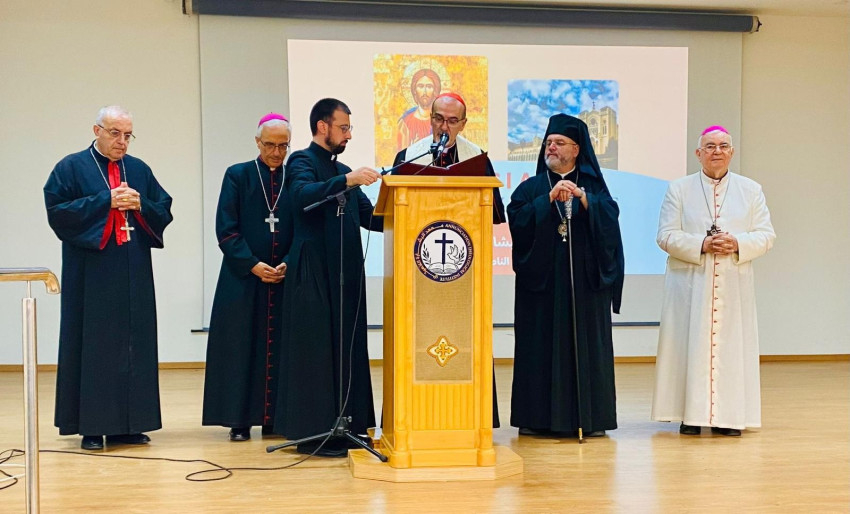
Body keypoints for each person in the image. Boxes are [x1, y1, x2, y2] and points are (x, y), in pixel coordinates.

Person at [44, 106, 173, 450]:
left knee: (134, 345)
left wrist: (141, 205)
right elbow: (58, 212)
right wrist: (106, 201)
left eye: (128, 135)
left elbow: (164, 208)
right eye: (115, 133)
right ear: (97, 130)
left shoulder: (139, 169)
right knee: (95, 346)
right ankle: (92, 426)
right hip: (92, 272)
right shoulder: (71, 167)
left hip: (133, 270)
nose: (122, 141)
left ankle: (130, 425)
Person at [273, 98, 383, 457]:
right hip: (314, 273)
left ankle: (348, 424)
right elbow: (302, 197)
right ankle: (314, 431)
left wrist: (408, 206)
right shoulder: (301, 161)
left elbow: (370, 217)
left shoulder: (343, 169)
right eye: (343, 127)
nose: (348, 135)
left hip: (345, 273)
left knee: (347, 346)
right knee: (316, 350)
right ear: (323, 127)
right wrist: (347, 180)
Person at [652, 125, 775, 437]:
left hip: (732, 283)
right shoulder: (679, 189)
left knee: (730, 349)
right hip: (690, 283)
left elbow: (766, 235)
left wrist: (737, 242)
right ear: (698, 153)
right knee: (688, 346)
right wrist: (702, 244)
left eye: (722, 146)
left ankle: (728, 418)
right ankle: (689, 416)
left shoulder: (751, 190)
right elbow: (665, 235)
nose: (716, 151)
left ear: (731, 152)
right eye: (709, 146)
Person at [508, 113, 624, 438]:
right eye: (548, 143)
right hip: (542, 287)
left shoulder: (594, 187)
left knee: (587, 348)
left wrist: (584, 199)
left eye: (559, 143)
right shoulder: (531, 188)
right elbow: (517, 221)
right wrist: (547, 200)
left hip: (584, 286)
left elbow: (610, 220)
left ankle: (591, 418)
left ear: (576, 149)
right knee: (539, 349)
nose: (551, 148)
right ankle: (536, 419)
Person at [202, 113, 294, 441]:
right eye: (270, 145)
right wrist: (252, 264)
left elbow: (303, 228)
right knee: (240, 349)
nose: (276, 152)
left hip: (283, 279)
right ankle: (238, 421)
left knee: (281, 349)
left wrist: (288, 262)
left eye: (283, 146)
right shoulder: (238, 175)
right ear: (257, 142)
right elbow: (226, 229)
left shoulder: (295, 178)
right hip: (241, 278)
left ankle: (275, 419)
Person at [393, 92, 506, 225]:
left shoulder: (477, 157)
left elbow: (493, 212)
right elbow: (392, 213)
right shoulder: (408, 157)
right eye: (438, 119)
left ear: (463, 124)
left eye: (452, 121)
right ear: (431, 119)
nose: (444, 127)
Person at [397, 68, 441, 150]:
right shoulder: (405, 122)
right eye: (420, 86)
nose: (424, 92)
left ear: (435, 90)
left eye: (429, 86)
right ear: (414, 90)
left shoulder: (442, 121)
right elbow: (402, 154)